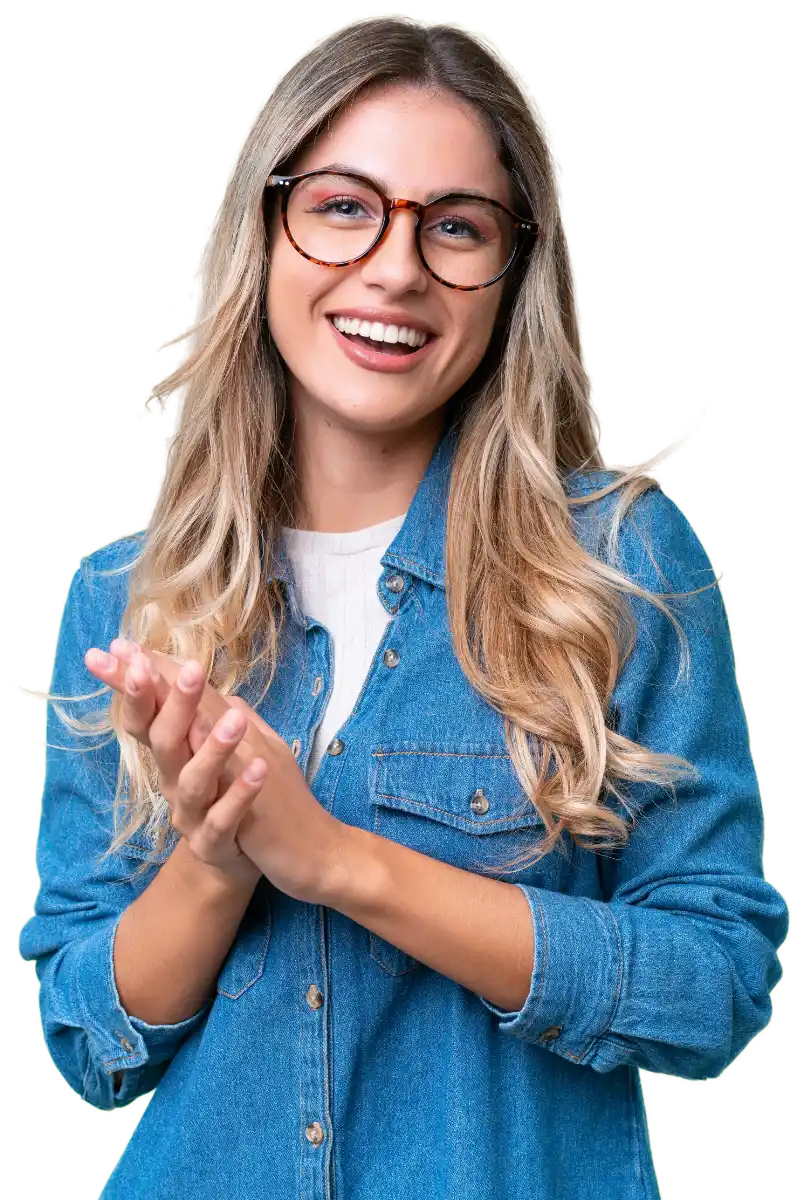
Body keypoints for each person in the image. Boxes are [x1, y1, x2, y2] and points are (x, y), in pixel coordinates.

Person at [17, 13, 789, 1200]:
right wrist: (218, 858)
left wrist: (337, 861)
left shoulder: (619, 563)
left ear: (513, 275)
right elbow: (92, 1046)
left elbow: (713, 986)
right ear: (265, 230)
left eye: (456, 226)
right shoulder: (128, 597)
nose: (395, 268)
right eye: (343, 206)